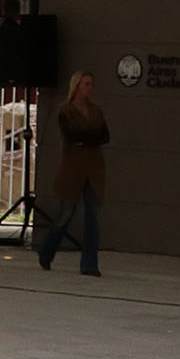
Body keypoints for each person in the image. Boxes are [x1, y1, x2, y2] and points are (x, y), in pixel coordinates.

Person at [36, 70, 110, 276]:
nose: (89, 88)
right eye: (86, 84)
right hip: (72, 166)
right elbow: (72, 135)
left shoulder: (96, 110)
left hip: (94, 167)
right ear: (76, 86)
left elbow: (104, 135)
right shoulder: (65, 111)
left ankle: (90, 264)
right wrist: (88, 137)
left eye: (91, 84)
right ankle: (46, 251)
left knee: (92, 217)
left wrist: (87, 138)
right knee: (66, 214)